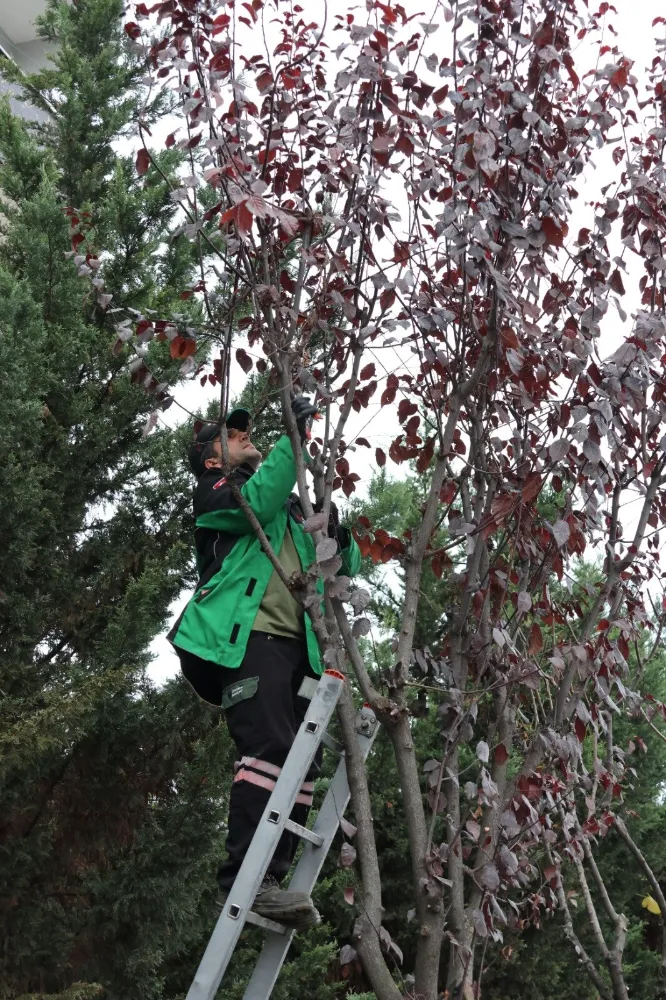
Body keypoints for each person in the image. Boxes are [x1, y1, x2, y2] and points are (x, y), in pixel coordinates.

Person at [169, 398, 361, 928]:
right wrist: (293, 439)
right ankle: (243, 882)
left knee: (302, 762)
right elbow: (258, 499)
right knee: (269, 746)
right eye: (230, 435)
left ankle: (270, 879)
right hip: (249, 640)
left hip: (301, 649)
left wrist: (333, 523)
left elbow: (346, 565)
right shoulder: (216, 492)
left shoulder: (292, 508)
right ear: (212, 458)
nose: (242, 435)